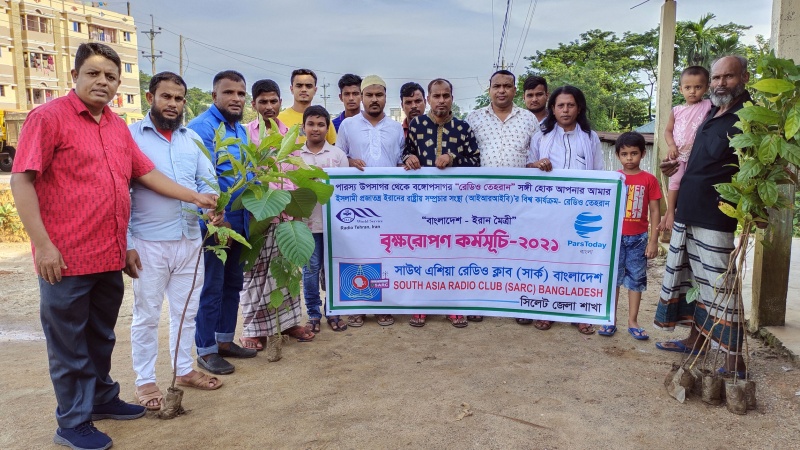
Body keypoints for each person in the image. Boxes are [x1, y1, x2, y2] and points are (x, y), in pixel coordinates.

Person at [10, 43, 217, 450]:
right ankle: (72, 422)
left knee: (101, 335)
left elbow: (146, 174)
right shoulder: (47, 118)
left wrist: (196, 197)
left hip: (108, 254)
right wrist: (43, 245)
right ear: (75, 77)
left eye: (109, 76)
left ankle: (103, 399)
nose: (102, 81)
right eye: (93, 73)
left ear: (118, 83)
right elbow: (22, 180)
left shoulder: (115, 126)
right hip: (65, 257)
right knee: (69, 342)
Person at [126, 72, 224, 411]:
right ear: (150, 96)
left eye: (179, 99)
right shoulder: (131, 137)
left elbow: (207, 180)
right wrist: (127, 242)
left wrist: (213, 205)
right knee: (147, 314)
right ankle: (145, 380)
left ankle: (183, 370)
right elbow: (121, 192)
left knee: (186, 312)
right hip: (148, 240)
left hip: (189, 239)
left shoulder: (190, 139)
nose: (173, 104)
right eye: (166, 97)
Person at [654, 55, 752, 377]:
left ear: (745, 78)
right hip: (689, 208)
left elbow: (753, 172)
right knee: (693, 280)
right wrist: (674, 168)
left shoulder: (748, 118)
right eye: (717, 77)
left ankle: (734, 360)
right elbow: (695, 158)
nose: (720, 83)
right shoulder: (711, 110)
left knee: (720, 284)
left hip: (716, 214)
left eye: (729, 77)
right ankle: (697, 342)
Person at [188, 70, 257, 376]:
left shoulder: (240, 130)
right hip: (215, 221)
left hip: (241, 218)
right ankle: (206, 350)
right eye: (229, 93)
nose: (236, 98)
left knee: (233, 283)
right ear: (214, 95)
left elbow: (246, 174)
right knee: (212, 285)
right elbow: (201, 177)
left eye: (241, 94)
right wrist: (218, 218)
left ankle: (225, 341)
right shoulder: (201, 129)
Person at [402, 78, 480, 328]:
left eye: (446, 96)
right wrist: (410, 158)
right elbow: (406, 153)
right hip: (422, 205)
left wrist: (452, 158)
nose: (441, 101)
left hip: (455, 207)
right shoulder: (417, 125)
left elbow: (476, 161)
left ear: (452, 99)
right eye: (436, 96)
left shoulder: (463, 128)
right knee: (421, 254)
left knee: (452, 255)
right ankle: (421, 305)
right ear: (429, 99)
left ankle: (452, 306)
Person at [527, 85, 605, 334]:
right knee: (549, 260)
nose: (565, 110)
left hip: (581, 211)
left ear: (579, 108)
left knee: (580, 261)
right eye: (560, 105)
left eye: (570, 105)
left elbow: (599, 174)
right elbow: (527, 167)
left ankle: (580, 312)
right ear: (552, 108)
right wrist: (537, 164)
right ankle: (546, 310)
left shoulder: (589, 137)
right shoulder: (542, 136)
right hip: (549, 211)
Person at [466, 69, 538, 322]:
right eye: (497, 86)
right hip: (482, 200)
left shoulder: (529, 119)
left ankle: (518, 304)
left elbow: (535, 157)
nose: (502, 91)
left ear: (515, 90)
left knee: (517, 250)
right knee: (481, 250)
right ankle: (478, 303)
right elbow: (465, 157)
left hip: (519, 201)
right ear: (489, 89)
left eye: (507, 86)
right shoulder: (473, 118)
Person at [337, 74, 404, 327]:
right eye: (369, 95)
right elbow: (338, 156)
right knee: (357, 253)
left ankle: (384, 306)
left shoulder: (396, 128)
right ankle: (358, 305)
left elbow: (399, 163)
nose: (374, 100)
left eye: (379, 95)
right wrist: (350, 161)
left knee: (384, 252)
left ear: (386, 97)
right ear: (361, 97)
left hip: (388, 202)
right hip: (355, 203)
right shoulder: (348, 126)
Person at [597, 132, 661, 339]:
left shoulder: (649, 180)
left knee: (636, 280)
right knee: (613, 279)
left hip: (639, 239)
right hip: (615, 238)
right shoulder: (614, 179)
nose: (629, 158)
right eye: (624, 154)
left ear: (643, 153)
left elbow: (655, 211)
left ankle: (633, 322)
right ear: (618, 156)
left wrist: (653, 241)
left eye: (634, 153)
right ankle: (610, 320)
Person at [299, 106, 350, 332]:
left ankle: (333, 311)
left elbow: (347, 191)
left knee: (332, 269)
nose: (316, 129)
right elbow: (289, 187)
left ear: (328, 128)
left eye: (321, 124)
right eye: (311, 124)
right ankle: (313, 314)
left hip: (334, 225)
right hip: (306, 224)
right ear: (303, 127)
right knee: (310, 270)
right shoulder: (296, 156)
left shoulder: (338, 156)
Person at [658, 66, 712, 232]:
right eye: (688, 87)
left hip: (696, 156)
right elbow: (668, 131)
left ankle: (678, 213)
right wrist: (672, 145)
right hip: (679, 153)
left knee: (689, 184)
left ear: (706, 88)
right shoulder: (677, 111)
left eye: (698, 87)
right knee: (675, 181)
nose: (693, 92)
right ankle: (669, 213)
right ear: (681, 89)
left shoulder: (708, 105)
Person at [278, 68, 336, 144]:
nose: (304, 89)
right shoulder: (279, 119)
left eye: (308, 86)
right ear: (292, 89)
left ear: (315, 90)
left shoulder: (323, 119)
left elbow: (334, 149)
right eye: (299, 86)